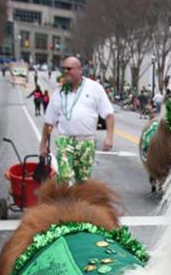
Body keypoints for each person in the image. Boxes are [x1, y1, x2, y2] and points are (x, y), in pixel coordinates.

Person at [40, 56, 115, 184]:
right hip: (65, 140)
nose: (65, 72)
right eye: (63, 69)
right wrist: (43, 144)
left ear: (79, 70)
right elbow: (49, 123)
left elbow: (109, 115)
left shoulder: (95, 88)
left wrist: (109, 137)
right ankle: (64, 203)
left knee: (83, 181)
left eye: (69, 69)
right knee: (63, 177)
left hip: (86, 142)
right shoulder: (59, 93)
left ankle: (78, 202)